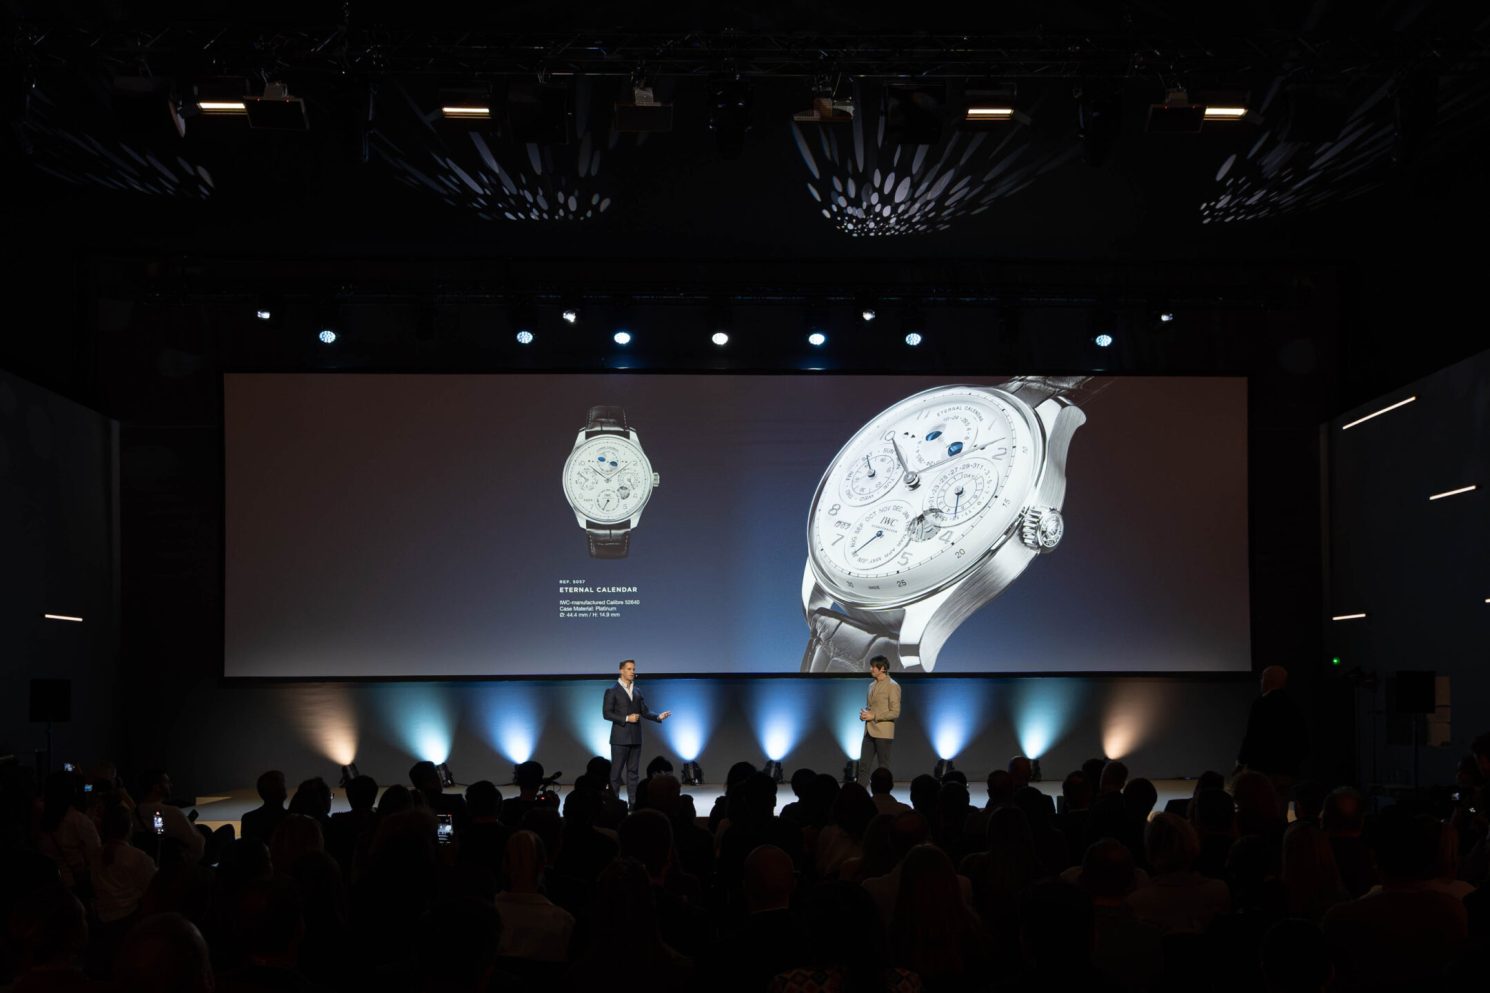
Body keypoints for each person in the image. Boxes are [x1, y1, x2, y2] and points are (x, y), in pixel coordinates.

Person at [603, 659, 671, 807]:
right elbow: (607, 713)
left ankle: (633, 803)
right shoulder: (612, 691)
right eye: (629, 669)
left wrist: (658, 716)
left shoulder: (637, 691)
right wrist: (627, 718)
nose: (632, 671)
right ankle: (613, 804)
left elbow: (644, 711)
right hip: (619, 739)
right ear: (621, 670)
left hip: (635, 738)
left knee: (633, 773)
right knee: (615, 774)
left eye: (633, 669)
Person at [1236, 665, 1308, 795]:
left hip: (1262, 768)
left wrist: (1241, 761)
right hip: (1286, 769)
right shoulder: (1292, 705)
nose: (1261, 681)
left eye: (1262, 678)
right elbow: (1301, 738)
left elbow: (1252, 736)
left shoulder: (1261, 704)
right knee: (1280, 806)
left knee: (1260, 804)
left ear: (1268, 680)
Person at [856, 655, 901, 786]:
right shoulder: (871, 685)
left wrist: (874, 716)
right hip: (869, 731)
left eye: (873, 667)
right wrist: (865, 714)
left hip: (883, 733)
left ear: (882, 669)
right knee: (863, 766)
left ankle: (883, 796)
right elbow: (871, 707)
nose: (871, 669)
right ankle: (859, 795)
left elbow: (895, 712)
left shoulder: (893, 686)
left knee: (883, 768)